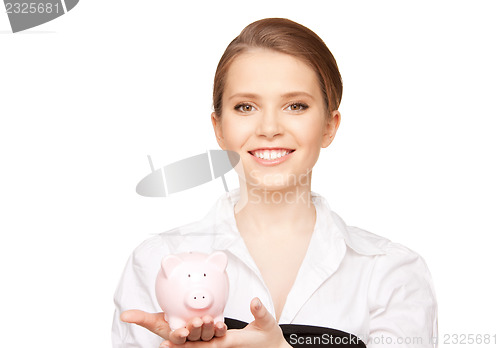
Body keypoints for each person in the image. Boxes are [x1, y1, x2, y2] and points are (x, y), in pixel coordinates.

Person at [112, 17, 438, 348]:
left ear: (329, 125)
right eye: (245, 106)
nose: (269, 127)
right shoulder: (158, 262)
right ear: (219, 128)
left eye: (295, 106)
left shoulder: (392, 273)